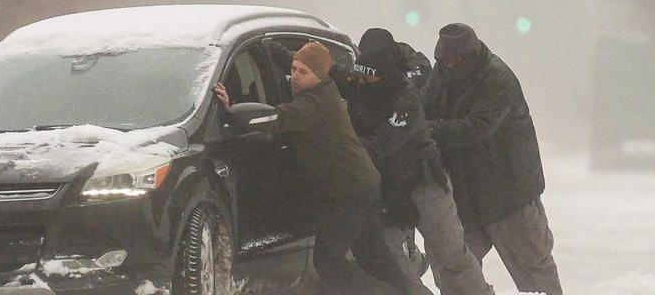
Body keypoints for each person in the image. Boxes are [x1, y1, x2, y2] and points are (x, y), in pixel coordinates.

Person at [214, 41, 410, 295]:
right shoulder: (317, 91)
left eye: (302, 72)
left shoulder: (315, 103)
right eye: (293, 69)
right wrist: (269, 46)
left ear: (319, 76)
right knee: (374, 258)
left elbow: (275, 118)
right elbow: (296, 64)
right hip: (360, 185)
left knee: (328, 263)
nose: (295, 76)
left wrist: (230, 113)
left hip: (349, 193)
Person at [346, 31, 494, 295]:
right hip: (386, 191)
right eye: (360, 76)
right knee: (394, 263)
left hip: (424, 182)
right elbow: (329, 76)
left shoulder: (406, 98)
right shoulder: (358, 91)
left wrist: (345, 144)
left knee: (450, 257)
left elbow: (384, 143)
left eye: (369, 76)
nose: (364, 82)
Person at [423, 23, 562, 295]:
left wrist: (428, 128)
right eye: (444, 60)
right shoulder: (440, 75)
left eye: (455, 60)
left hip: (510, 196)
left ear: (471, 56)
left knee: (535, 273)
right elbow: (424, 107)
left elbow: (478, 128)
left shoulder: (497, 78)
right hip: (464, 195)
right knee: (452, 272)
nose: (449, 66)